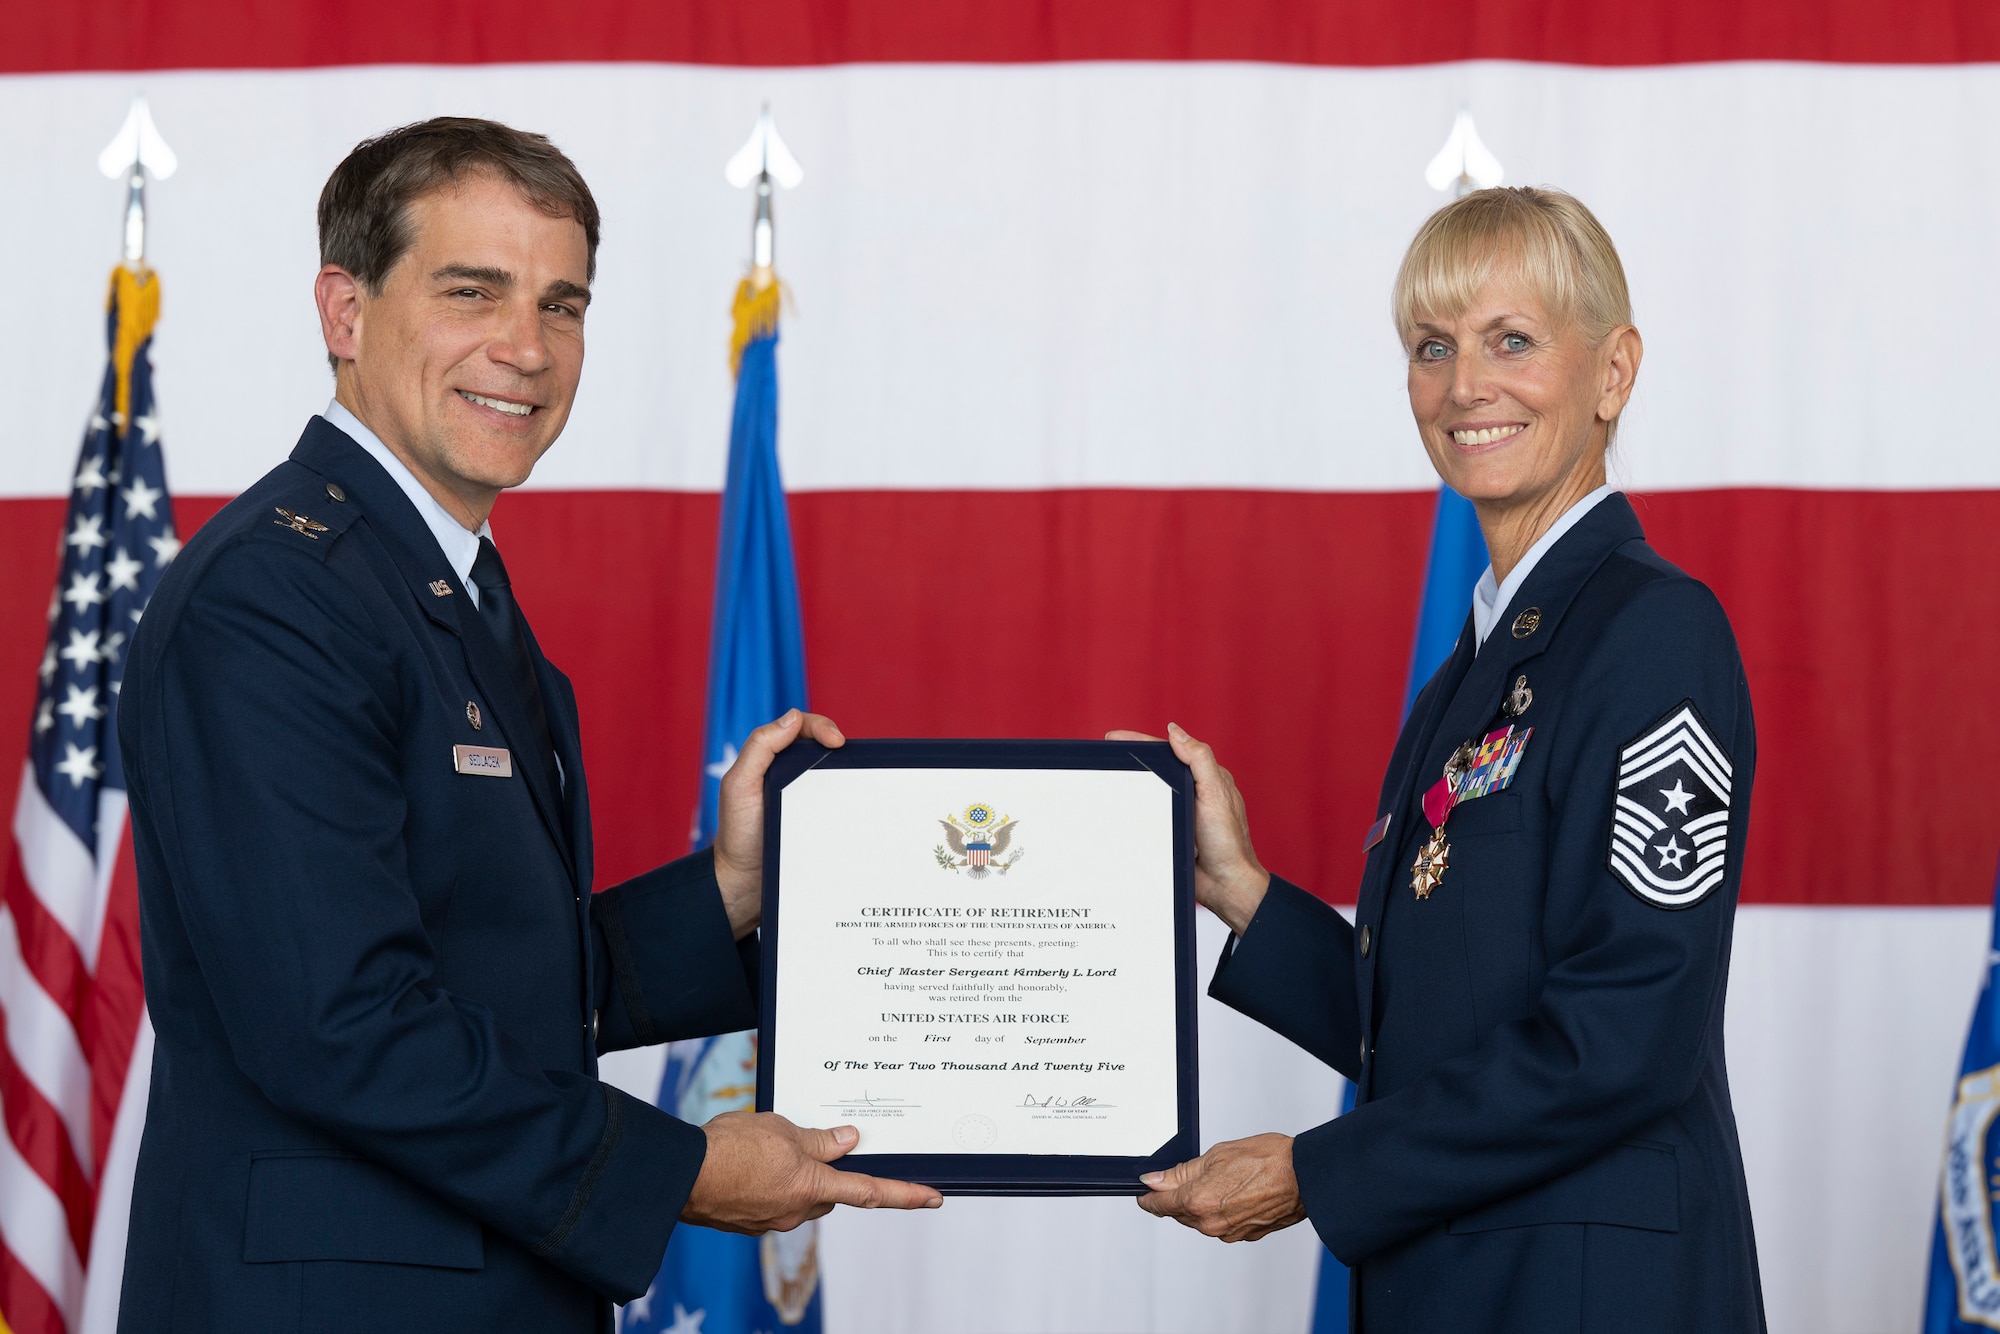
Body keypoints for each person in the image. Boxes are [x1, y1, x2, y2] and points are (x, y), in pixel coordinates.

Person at [115, 118, 939, 1334]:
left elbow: (495, 973)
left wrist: (730, 887)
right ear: (344, 311)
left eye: (563, 305)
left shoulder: (445, 589)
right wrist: (688, 1172)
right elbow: (344, 1025)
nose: (525, 348)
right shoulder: (273, 597)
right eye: (472, 292)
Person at [1121, 187, 1763, 1331]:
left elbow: (1625, 1033)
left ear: (1611, 372)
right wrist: (1240, 890)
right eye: (1431, 347)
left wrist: (1317, 1170)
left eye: (1509, 340)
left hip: (1584, 1300)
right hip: (1458, 1286)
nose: (1464, 385)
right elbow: (1430, 1021)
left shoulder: (1653, 631)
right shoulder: (1473, 671)